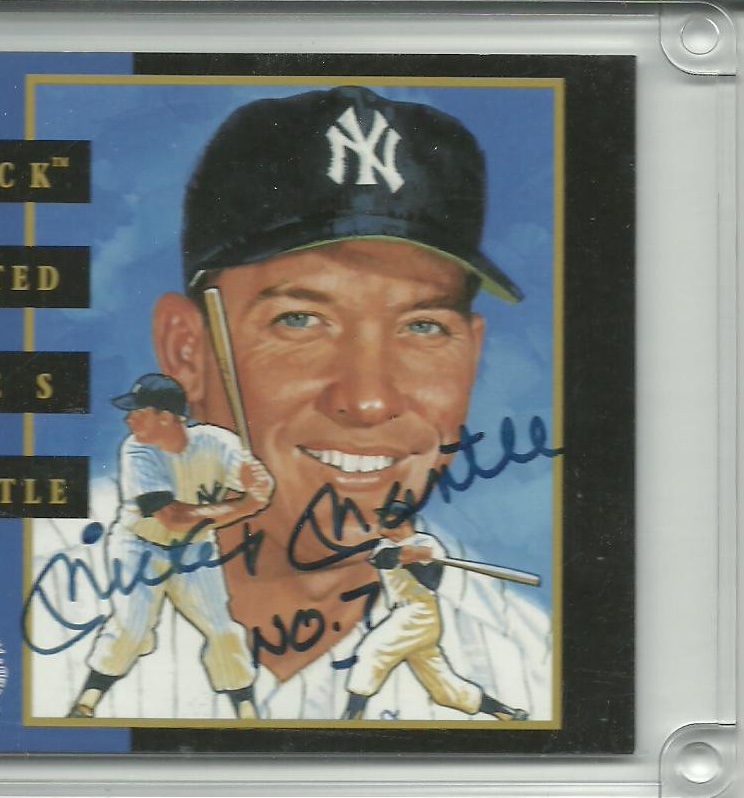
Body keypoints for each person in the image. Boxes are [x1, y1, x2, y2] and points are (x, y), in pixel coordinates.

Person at [145, 85, 551, 717]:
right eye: (300, 320)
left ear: (471, 356)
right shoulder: (25, 586)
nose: (367, 401)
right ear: (187, 351)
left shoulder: (536, 665)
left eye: (423, 326)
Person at [67, 373, 276, 719]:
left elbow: (254, 484)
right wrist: (246, 506)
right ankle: (87, 700)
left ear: (166, 417)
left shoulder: (217, 442)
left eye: (139, 411)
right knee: (132, 628)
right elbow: (173, 517)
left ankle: (245, 708)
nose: (129, 419)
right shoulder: (137, 450)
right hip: (139, 546)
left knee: (222, 630)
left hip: (194, 549)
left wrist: (260, 484)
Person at [341, 502, 527, 721]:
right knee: (444, 688)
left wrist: (419, 558)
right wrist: (408, 555)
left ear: (404, 523)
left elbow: (431, 582)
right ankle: (506, 713)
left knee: (373, 651)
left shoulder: (428, 543)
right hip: (403, 614)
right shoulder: (384, 545)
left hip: (420, 613)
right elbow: (384, 558)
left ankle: (351, 719)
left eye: (388, 523)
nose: (382, 529)